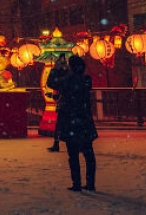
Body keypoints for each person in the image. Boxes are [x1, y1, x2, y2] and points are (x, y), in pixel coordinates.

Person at [47, 54, 98, 192]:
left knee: (73, 154)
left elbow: (51, 82)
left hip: (71, 121)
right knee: (89, 154)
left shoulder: (67, 81)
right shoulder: (86, 80)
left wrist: (56, 69)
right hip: (85, 121)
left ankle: (77, 183)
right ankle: (90, 182)